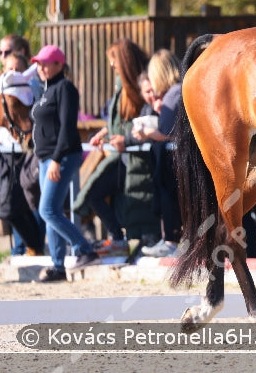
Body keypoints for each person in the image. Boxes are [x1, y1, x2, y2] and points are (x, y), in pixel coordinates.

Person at [31, 44, 101, 281]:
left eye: (44, 63)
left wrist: (56, 159)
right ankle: (58, 265)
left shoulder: (65, 89)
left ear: (58, 65)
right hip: (45, 159)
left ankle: (85, 249)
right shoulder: (45, 90)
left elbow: (66, 128)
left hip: (60, 157)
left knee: (48, 210)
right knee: (52, 212)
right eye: (38, 63)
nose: (39, 67)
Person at [82, 38, 159, 255]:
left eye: (113, 61)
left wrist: (121, 138)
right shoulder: (121, 88)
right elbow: (119, 122)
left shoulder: (139, 88)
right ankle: (117, 238)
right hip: (123, 155)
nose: (111, 66)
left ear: (123, 61)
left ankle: (140, 239)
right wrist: (105, 132)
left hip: (137, 157)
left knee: (138, 199)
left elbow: (139, 124)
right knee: (95, 193)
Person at [0, 52, 45, 256]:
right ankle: (33, 247)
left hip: (26, 154)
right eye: (9, 69)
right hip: (5, 155)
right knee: (10, 208)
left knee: (19, 206)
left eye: (18, 69)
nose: (13, 72)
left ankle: (34, 247)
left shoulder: (32, 91)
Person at [135, 49, 183, 258]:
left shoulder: (173, 94)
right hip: (180, 156)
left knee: (172, 199)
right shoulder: (181, 90)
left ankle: (172, 242)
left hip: (175, 157)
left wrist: (148, 133)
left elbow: (169, 133)